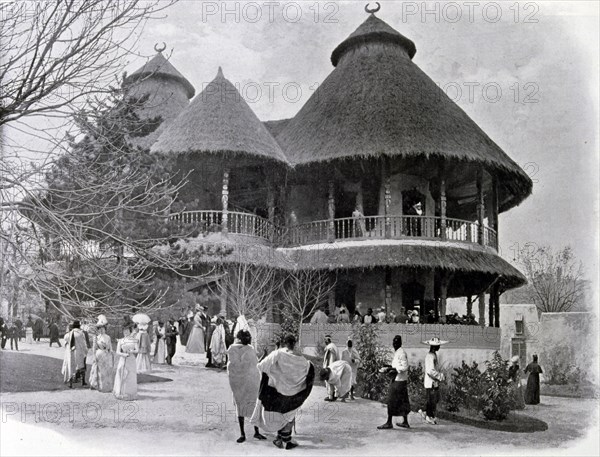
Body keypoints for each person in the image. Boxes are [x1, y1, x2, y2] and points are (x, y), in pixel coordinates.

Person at [250, 334, 314, 450]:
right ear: (295, 344)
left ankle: (281, 439)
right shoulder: (302, 360)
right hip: (294, 394)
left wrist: (275, 374)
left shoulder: (278, 353)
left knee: (281, 414)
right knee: (289, 414)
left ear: (285, 343)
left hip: (277, 393)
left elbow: (261, 366)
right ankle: (286, 440)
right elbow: (309, 371)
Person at [227, 329, 267, 443]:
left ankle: (256, 432)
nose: (247, 339)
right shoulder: (233, 349)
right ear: (240, 338)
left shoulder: (250, 349)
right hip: (240, 383)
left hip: (251, 383)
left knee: (253, 406)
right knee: (241, 406)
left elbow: (255, 365)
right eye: (246, 337)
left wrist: (264, 355)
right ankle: (242, 433)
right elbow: (232, 367)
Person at [378, 335, 411, 429]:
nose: (394, 344)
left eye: (396, 342)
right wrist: (388, 366)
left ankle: (389, 422)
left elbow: (405, 367)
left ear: (400, 343)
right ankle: (405, 422)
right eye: (394, 342)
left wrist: (394, 369)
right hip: (398, 380)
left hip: (399, 380)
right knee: (402, 401)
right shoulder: (397, 352)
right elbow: (397, 365)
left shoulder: (402, 353)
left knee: (392, 400)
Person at [418, 337, 447, 425]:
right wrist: (440, 376)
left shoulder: (433, 355)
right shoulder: (430, 356)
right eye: (438, 345)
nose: (439, 347)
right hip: (431, 382)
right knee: (431, 399)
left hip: (433, 381)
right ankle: (428, 416)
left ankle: (425, 412)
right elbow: (430, 371)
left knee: (434, 399)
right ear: (434, 347)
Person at [113, 325, 139, 400]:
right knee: (121, 374)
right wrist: (123, 354)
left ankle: (130, 393)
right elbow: (117, 351)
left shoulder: (134, 340)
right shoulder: (121, 340)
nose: (125, 332)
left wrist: (132, 351)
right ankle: (121, 392)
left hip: (131, 359)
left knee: (130, 375)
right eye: (124, 330)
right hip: (123, 359)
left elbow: (137, 350)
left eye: (127, 330)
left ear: (130, 331)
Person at [61, 320, 89, 388]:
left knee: (71, 367)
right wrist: (86, 351)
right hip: (80, 353)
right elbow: (84, 344)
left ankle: (70, 384)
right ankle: (83, 382)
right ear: (79, 326)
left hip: (72, 353)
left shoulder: (69, 334)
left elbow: (65, 341)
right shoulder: (81, 333)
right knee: (82, 366)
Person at [89, 316, 114, 392]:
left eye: (103, 328)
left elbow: (110, 347)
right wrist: (94, 356)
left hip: (106, 354)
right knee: (98, 370)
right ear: (98, 329)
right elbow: (94, 348)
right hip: (99, 354)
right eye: (100, 328)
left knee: (106, 371)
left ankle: (105, 386)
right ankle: (98, 386)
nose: (102, 330)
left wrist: (110, 353)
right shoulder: (96, 337)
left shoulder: (108, 337)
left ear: (105, 328)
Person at [323, 335, 339, 401]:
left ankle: (331, 397)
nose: (325, 342)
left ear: (328, 340)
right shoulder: (332, 347)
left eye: (325, 340)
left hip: (331, 366)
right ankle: (332, 396)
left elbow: (331, 358)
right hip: (331, 366)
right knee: (331, 381)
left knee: (330, 381)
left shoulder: (331, 347)